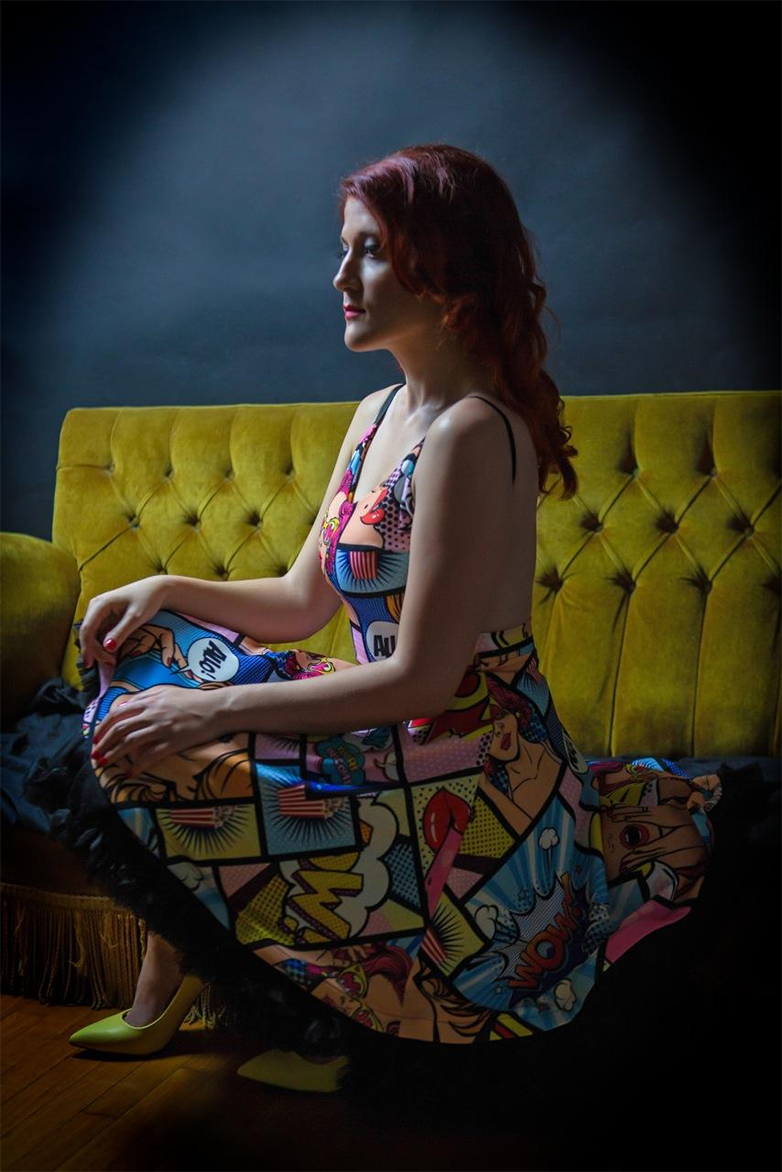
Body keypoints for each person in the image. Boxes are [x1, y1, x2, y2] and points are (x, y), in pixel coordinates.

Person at [24, 143, 724, 1096]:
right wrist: (166, 587)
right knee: (145, 656)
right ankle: (171, 981)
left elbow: (425, 680)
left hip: (470, 751)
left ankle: (312, 1020)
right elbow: (301, 603)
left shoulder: (475, 430)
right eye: (345, 248)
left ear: (446, 272)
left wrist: (211, 711)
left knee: (186, 737)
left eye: (372, 251)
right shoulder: (376, 414)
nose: (341, 276)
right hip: (389, 719)